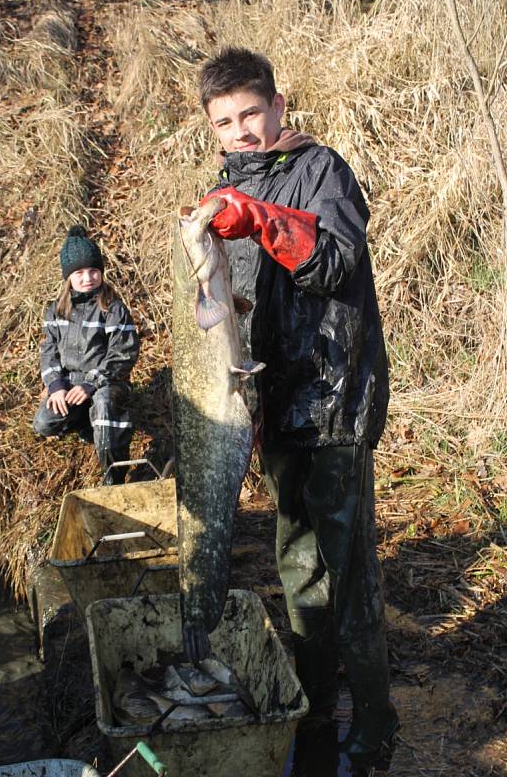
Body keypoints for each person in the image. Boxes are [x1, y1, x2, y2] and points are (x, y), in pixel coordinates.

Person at [198, 48, 399, 775]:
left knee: (348, 578)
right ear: (212, 129)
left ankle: (374, 731)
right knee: (298, 573)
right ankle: (313, 718)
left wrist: (261, 221)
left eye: (250, 113)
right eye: (225, 121)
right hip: (279, 406)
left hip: (335, 398)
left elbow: (338, 262)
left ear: (278, 107)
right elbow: (235, 316)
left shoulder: (323, 170)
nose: (241, 130)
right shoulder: (225, 191)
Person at [33, 225, 139, 486]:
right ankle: (85, 423)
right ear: (68, 277)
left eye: (93, 271)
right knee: (44, 423)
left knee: (103, 407)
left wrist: (92, 383)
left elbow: (123, 353)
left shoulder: (112, 307)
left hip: (107, 382)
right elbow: (48, 352)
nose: (88, 277)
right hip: (71, 385)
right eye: (79, 272)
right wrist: (56, 386)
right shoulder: (56, 310)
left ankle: (113, 478)